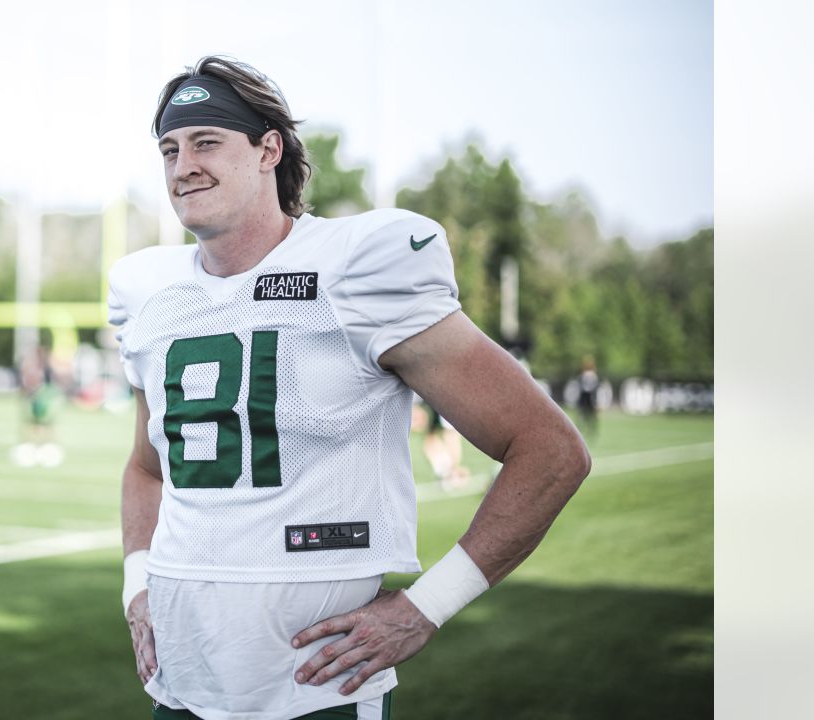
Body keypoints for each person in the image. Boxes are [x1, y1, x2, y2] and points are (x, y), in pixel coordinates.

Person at [108, 56, 591, 720]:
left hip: (316, 699)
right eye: (169, 148)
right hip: (181, 693)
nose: (182, 165)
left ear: (268, 149)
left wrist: (425, 608)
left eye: (207, 141)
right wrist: (137, 589)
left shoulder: (357, 268)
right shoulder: (149, 292)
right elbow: (145, 470)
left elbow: (550, 448)